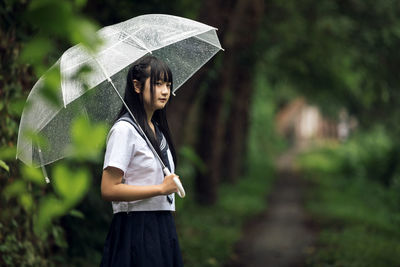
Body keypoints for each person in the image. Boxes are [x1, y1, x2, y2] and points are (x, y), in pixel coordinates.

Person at [100, 55, 184, 267]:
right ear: (137, 86)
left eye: (168, 84)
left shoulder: (157, 131)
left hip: (162, 227)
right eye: (158, 83)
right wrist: (160, 189)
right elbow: (109, 189)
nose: (165, 91)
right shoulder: (123, 131)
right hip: (136, 230)